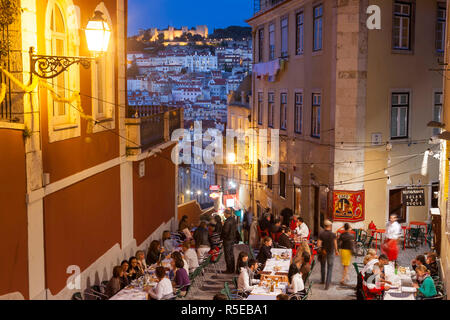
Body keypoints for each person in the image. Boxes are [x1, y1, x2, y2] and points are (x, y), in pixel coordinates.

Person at [317, 220, 338, 290]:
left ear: (324, 226)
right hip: (331, 252)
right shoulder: (333, 234)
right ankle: (327, 284)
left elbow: (318, 244)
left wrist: (319, 250)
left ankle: (322, 280)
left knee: (323, 266)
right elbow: (335, 243)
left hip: (323, 252)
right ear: (330, 226)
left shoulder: (321, 234)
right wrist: (336, 251)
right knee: (330, 268)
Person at [221, 209, 238, 273]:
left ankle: (229, 270)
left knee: (227, 255)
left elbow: (225, 231)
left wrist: (222, 237)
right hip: (232, 239)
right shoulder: (233, 220)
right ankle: (232, 269)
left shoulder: (228, 221)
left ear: (226, 213)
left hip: (227, 240)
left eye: (224, 214)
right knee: (231, 254)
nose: (224, 215)